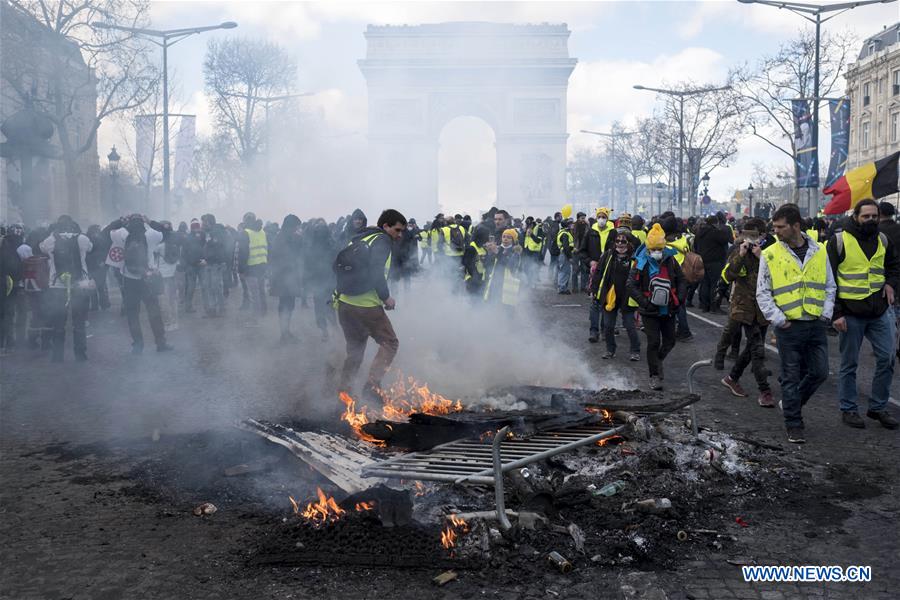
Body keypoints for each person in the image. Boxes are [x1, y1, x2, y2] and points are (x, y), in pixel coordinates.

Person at [757, 203, 836, 444]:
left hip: (815, 322)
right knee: (790, 375)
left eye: (781, 227)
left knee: (820, 372)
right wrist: (779, 319)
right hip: (789, 326)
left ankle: (790, 403)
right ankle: (794, 422)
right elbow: (763, 292)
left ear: (796, 226)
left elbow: (830, 285)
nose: (776, 231)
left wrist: (826, 313)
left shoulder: (820, 251)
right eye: (775, 226)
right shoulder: (770, 253)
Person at [827, 200, 899, 430]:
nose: (870, 220)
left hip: (879, 311)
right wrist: (836, 313)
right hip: (850, 313)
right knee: (849, 364)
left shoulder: (883, 240)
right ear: (856, 216)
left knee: (887, 358)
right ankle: (848, 409)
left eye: (874, 216)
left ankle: (877, 407)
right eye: (865, 216)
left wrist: (890, 283)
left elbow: (894, 265)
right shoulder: (839, 241)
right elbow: (828, 279)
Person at [335, 209, 406, 401]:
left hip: (344, 304)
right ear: (386, 226)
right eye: (397, 230)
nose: (399, 235)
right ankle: (372, 386)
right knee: (390, 343)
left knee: (356, 349)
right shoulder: (382, 240)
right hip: (366, 305)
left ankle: (344, 392)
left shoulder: (360, 237)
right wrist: (386, 297)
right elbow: (376, 271)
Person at [718, 219, 774, 407]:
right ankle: (765, 390)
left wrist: (762, 258)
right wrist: (741, 254)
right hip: (745, 307)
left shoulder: (770, 253)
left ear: (763, 236)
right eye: (747, 235)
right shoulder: (738, 251)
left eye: (755, 235)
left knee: (752, 349)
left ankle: (732, 377)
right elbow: (728, 275)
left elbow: (777, 277)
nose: (750, 240)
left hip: (763, 309)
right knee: (757, 350)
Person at [627, 223, 686, 391]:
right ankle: (654, 375)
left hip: (669, 308)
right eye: (654, 249)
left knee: (670, 341)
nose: (657, 253)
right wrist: (645, 303)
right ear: (649, 248)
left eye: (659, 249)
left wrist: (680, 298)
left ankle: (657, 359)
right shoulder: (640, 262)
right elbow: (631, 285)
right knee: (653, 342)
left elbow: (681, 280)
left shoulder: (671, 259)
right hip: (649, 310)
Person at [109, 215, 172, 354]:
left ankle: (137, 345)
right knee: (154, 311)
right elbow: (167, 233)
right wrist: (150, 221)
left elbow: (106, 231)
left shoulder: (121, 234)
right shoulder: (151, 234)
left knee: (132, 314)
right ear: (143, 222)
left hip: (129, 278)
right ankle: (160, 343)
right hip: (147, 278)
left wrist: (120, 221)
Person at [39, 216, 93, 362]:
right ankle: (80, 355)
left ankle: (57, 356)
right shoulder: (82, 239)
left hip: (57, 286)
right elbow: (90, 248)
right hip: (79, 284)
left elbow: (41, 248)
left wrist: (53, 233)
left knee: (58, 323)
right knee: (79, 322)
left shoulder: (51, 240)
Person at [595, 232, 641, 361]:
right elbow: (599, 272)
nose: (620, 244)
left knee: (630, 326)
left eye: (623, 241)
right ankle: (610, 350)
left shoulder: (634, 259)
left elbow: (640, 278)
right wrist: (594, 289)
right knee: (608, 326)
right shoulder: (608, 255)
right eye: (618, 241)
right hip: (610, 296)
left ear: (629, 243)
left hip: (627, 297)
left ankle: (635, 351)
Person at [269, 214, 304, 343]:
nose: (297, 229)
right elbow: (280, 258)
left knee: (290, 305)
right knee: (284, 305)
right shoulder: (280, 239)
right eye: (296, 226)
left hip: (291, 277)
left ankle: (286, 332)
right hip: (283, 278)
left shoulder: (293, 237)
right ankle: (284, 334)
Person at [304, 219, 337, 341]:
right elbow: (308, 265)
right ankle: (325, 330)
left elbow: (336, 263)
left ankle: (331, 329)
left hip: (328, 281)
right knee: (322, 307)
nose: (320, 234)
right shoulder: (312, 247)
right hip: (319, 281)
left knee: (328, 306)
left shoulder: (331, 245)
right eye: (318, 231)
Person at [694, 214, 733, 313]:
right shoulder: (716, 232)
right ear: (716, 223)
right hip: (715, 261)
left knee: (705, 283)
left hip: (702, 261)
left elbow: (695, 245)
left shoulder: (699, 233)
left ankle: (704, 306)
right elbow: (726, 240)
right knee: (715, 284)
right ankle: (714, 307)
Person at [237, 212, 268, 325]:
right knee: (261, 291)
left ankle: (255, 319)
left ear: (245, 221)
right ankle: (263, 311)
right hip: (262, 265)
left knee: (253, 295)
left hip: (251, 267)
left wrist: (241, 270)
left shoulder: (245, 233)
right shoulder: (262, 232)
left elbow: (243, 253)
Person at [483, 228, 522, 308]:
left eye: (509, 237)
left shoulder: (515, 252)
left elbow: (511, 265)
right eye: (504, 236)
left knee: (505, 311)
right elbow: (487, 265)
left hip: (506, 288)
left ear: (513, 240)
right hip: (493, 284)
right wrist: (489, 253)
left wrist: (497, 253)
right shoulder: (497, 248)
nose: (505, 239)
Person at [153, 221, 179, 331]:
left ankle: (168, 323)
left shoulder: (159, 247)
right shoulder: (175, 245)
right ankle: (175, 322)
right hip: (173, 274)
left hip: (163, 276)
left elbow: (153, 258)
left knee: (164, 300)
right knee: (173, 299)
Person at [200, 214, 228, 318]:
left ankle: (218, 309)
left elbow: (216, 249)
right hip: (211, 263)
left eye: (203, 222)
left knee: (214, 287)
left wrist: (207, 260)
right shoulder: (209, 232)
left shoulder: (215, 232)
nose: (202, 224)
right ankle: (216, 309)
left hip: (215, 264)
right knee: (211, 287)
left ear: (209, 222)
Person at [556, 219, 574, 294]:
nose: (572, 225)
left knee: (564, 271)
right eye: (570, 224)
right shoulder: (565, 234)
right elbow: (566, 247)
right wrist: (570, 257)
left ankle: (562, 287)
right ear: (567, 225)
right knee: (564, 271)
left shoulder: (563, 232)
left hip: (563, 254)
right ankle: (562, 288)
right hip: (565, 254)